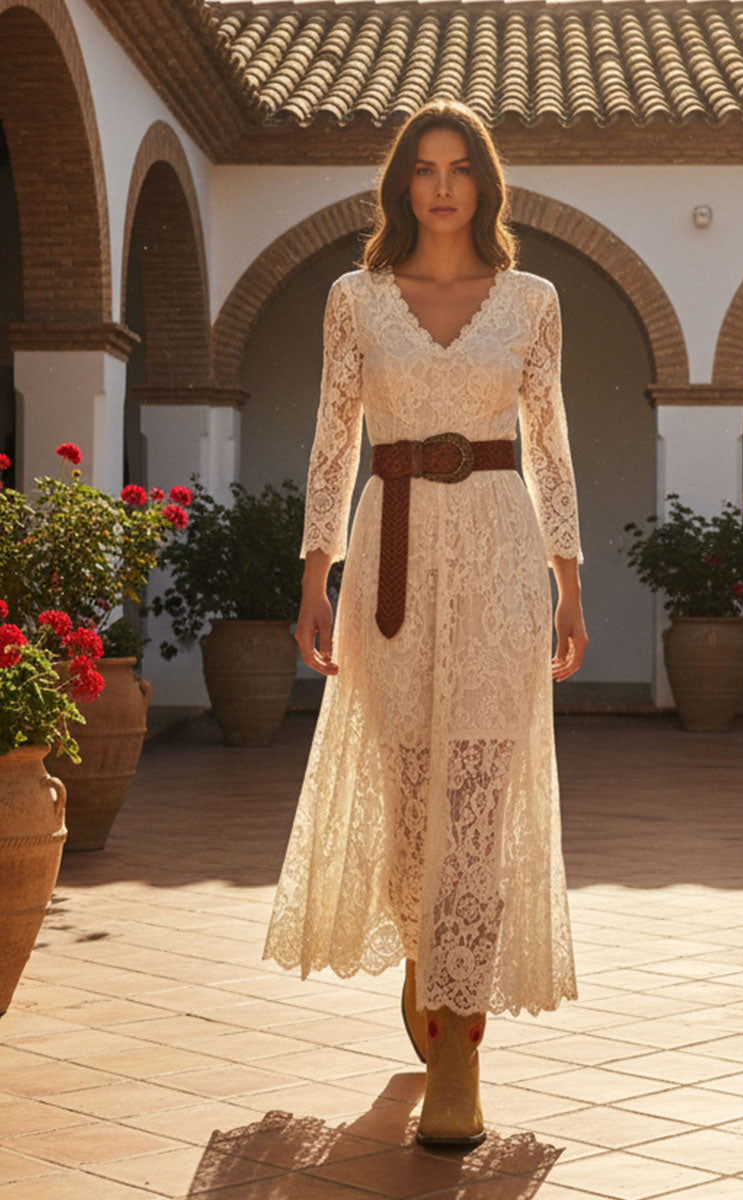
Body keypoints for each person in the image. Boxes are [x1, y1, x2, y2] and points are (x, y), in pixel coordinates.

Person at [263, 98, 588, 1148]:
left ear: (484, 185)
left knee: (480, 797)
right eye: (424, 168)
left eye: (460, 168)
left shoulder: (533, 298)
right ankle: (424, 952)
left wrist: (568, 581)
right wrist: (315, 575)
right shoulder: (354, 299)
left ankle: (459, 1053)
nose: (443, 185)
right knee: (409, 795)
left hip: (498, 552)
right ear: (402, 185)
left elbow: (550, 445)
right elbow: (330, 441)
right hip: (390, 557)